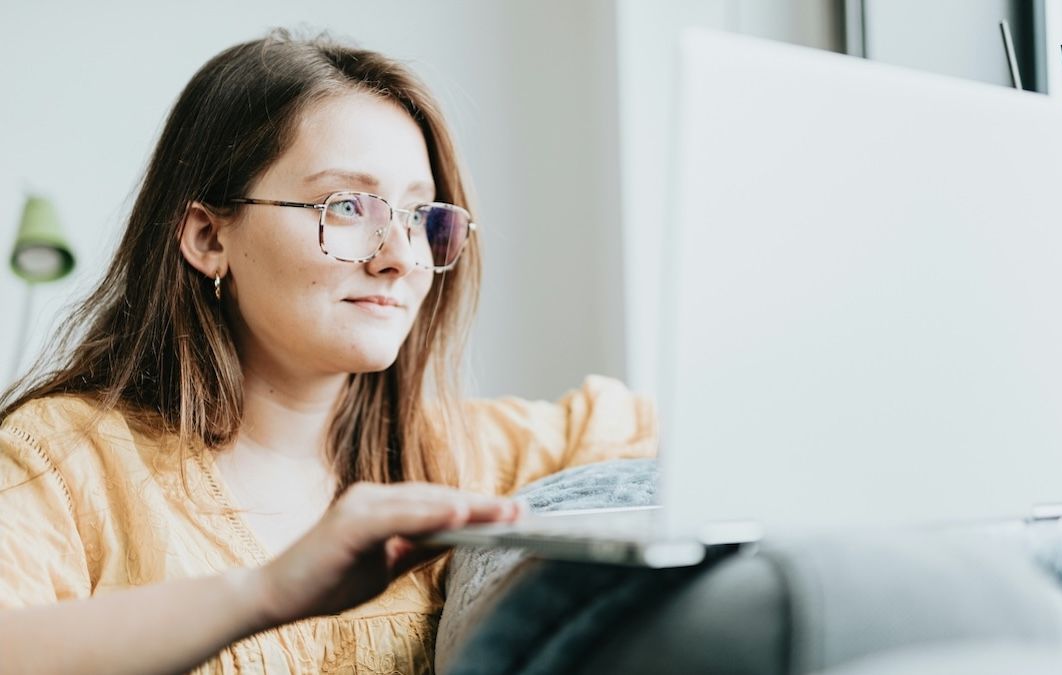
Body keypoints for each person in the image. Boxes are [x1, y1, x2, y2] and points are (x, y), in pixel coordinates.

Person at [0, 30, 656, 674]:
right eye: (348, 206)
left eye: (420, 214)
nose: (401, 258)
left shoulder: (468, 449)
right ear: (207, 236)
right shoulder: (58, 461)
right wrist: (267, 591)